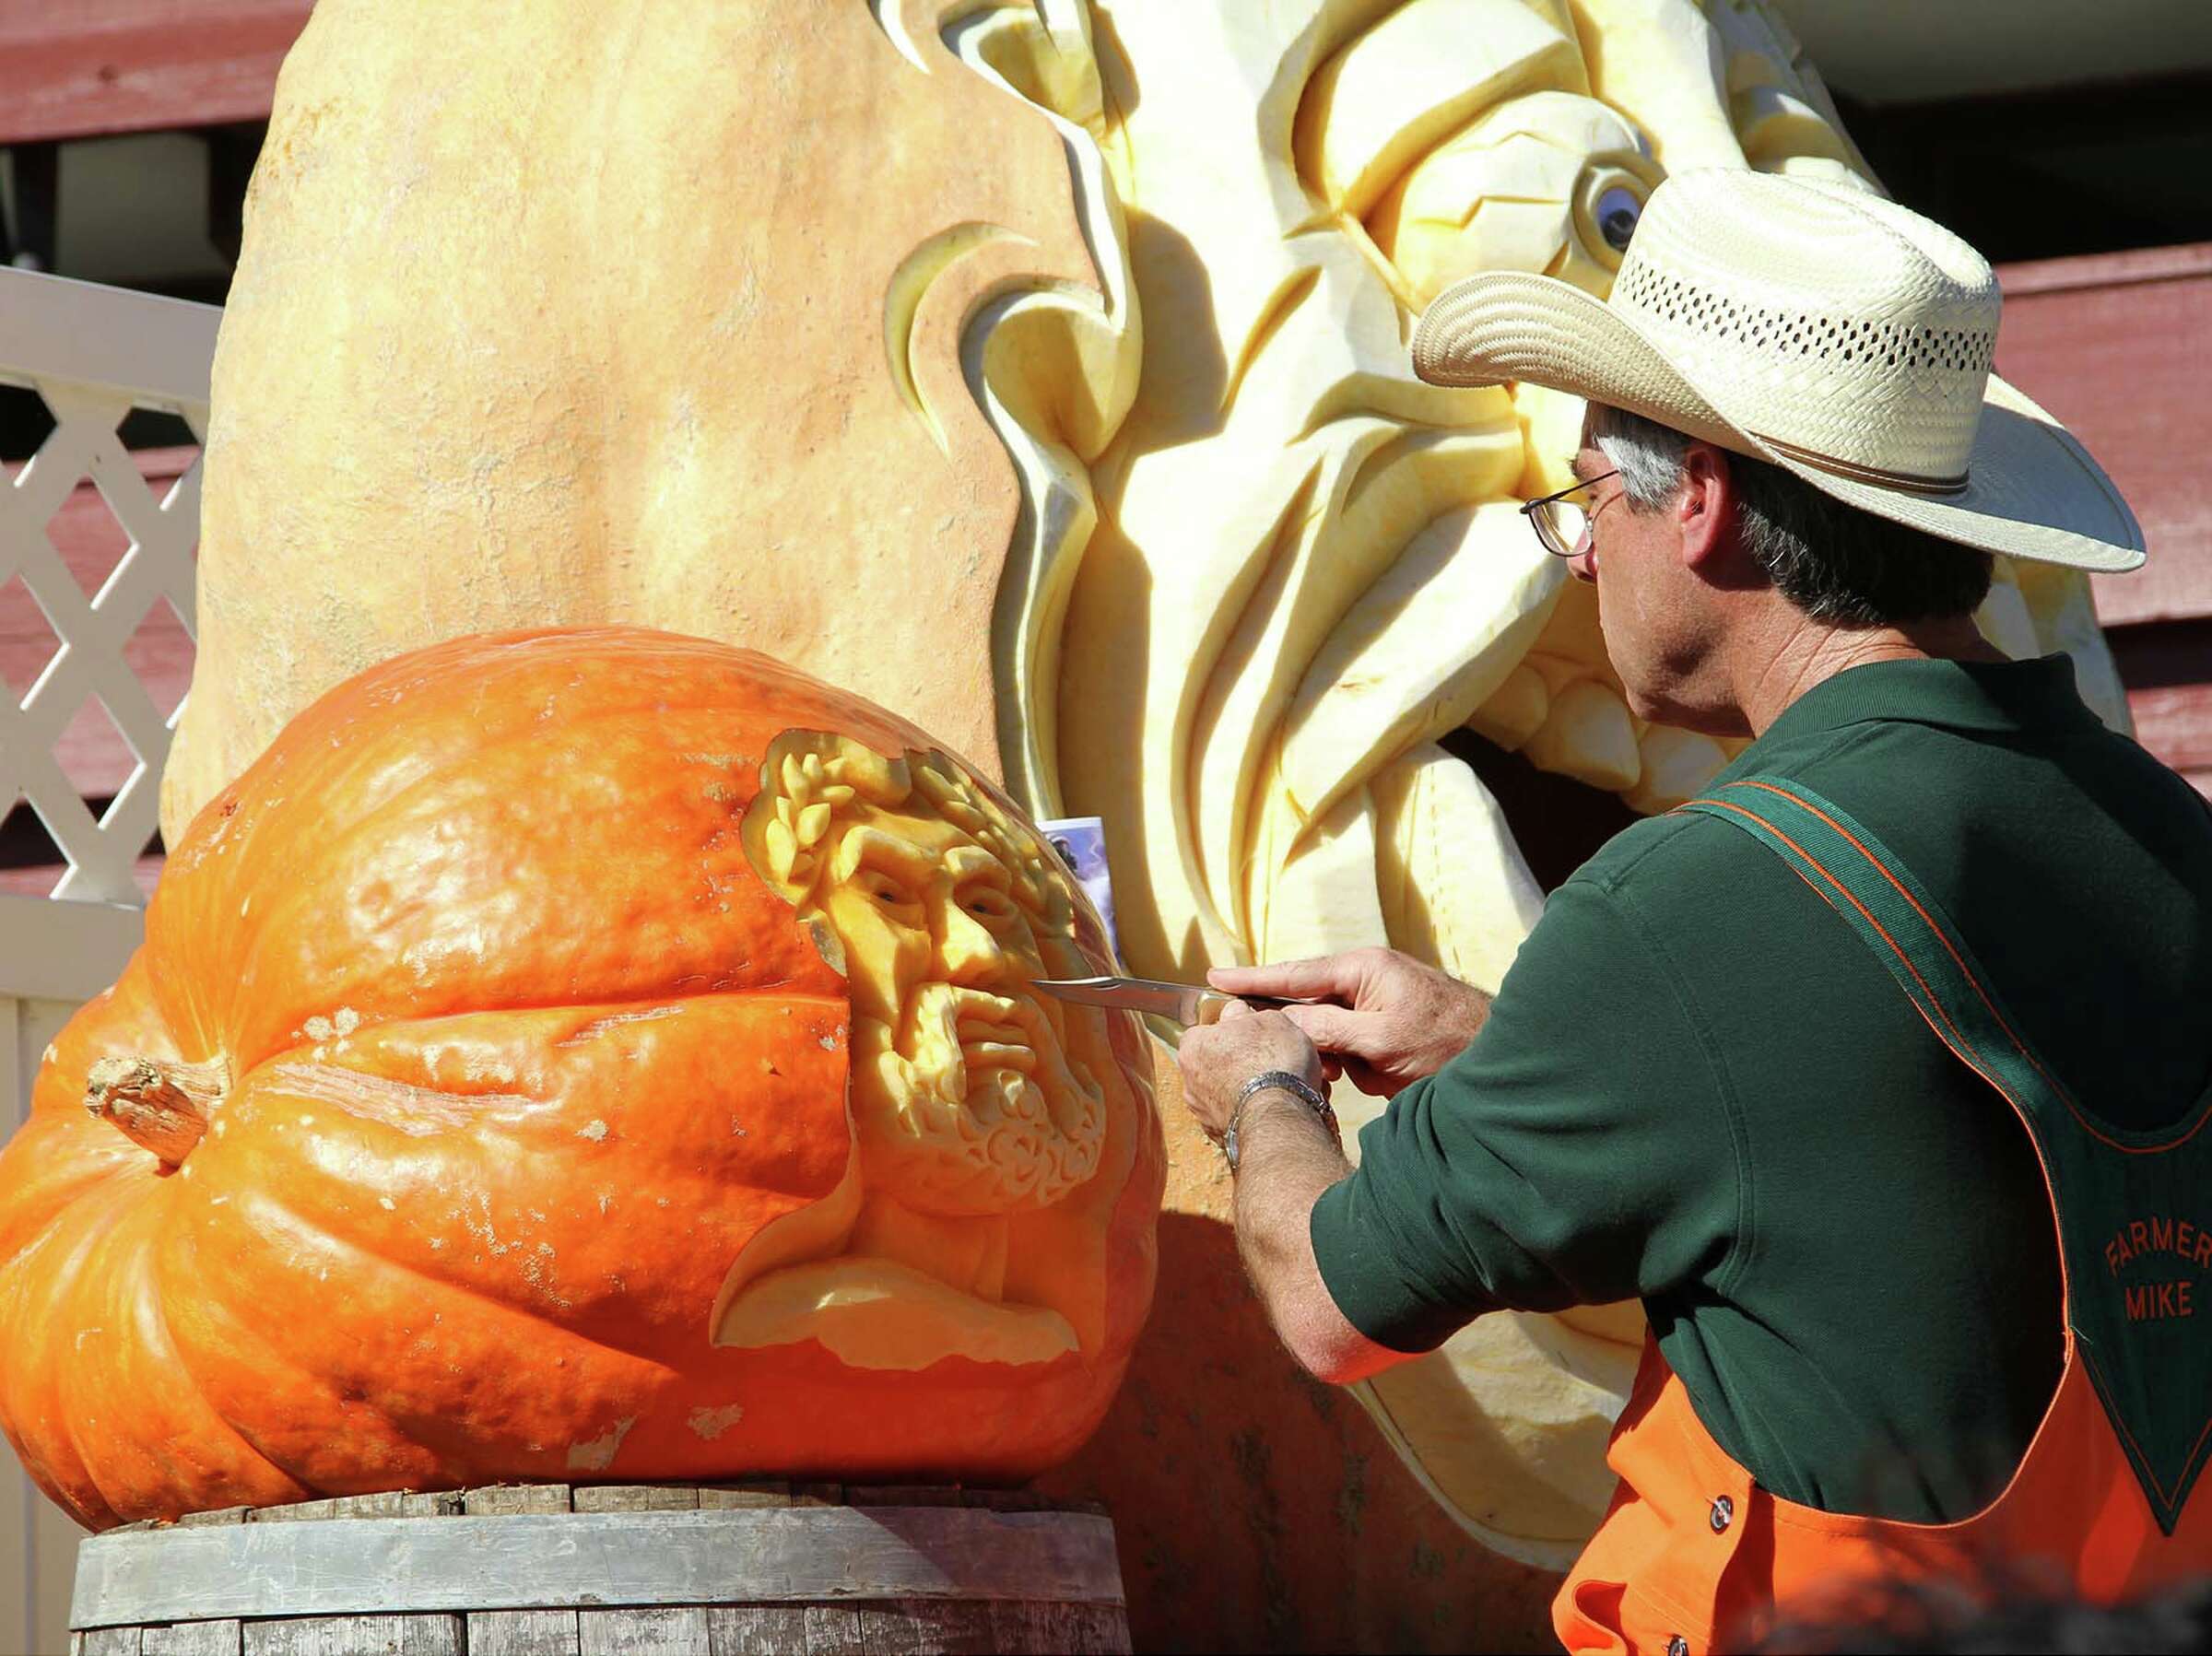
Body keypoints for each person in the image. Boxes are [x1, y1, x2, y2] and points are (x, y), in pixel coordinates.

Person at [1174, 167, 2212, 1654]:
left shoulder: (1694, 904)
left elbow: (1334, 1302)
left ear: (1706, 505)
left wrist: (1260, 1094)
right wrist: (1496, 1042)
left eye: (1588, 494)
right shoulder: (2168, 835)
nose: (1584, 547)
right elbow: (1885, 1150)